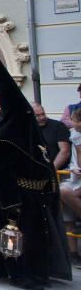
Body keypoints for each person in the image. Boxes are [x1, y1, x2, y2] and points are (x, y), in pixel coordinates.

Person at [0, 38, 72, 290]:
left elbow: (43, 160)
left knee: (38, 238)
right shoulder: (5, 136)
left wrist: (49, 189)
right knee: (19, 240)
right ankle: (21, 275)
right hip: (16, 201)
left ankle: (39, 272)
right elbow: (1, 174)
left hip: (37, 197)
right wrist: (12, 208)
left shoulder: (29, 131)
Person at [59, 107, 81, 265]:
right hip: (74, 175)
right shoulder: (74, 134)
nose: (71, 123)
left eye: (73, 120)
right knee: (67, 215)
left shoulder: (76, 136)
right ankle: (73, 253)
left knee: (65, 191)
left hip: (77, 178)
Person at [34, 103, 71, 171]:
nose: (42, 117)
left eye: (43, 114)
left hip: (58, 172)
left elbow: (65, 151)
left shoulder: (58, 126)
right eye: (37, 115)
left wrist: (51, 171)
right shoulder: (26, 129)